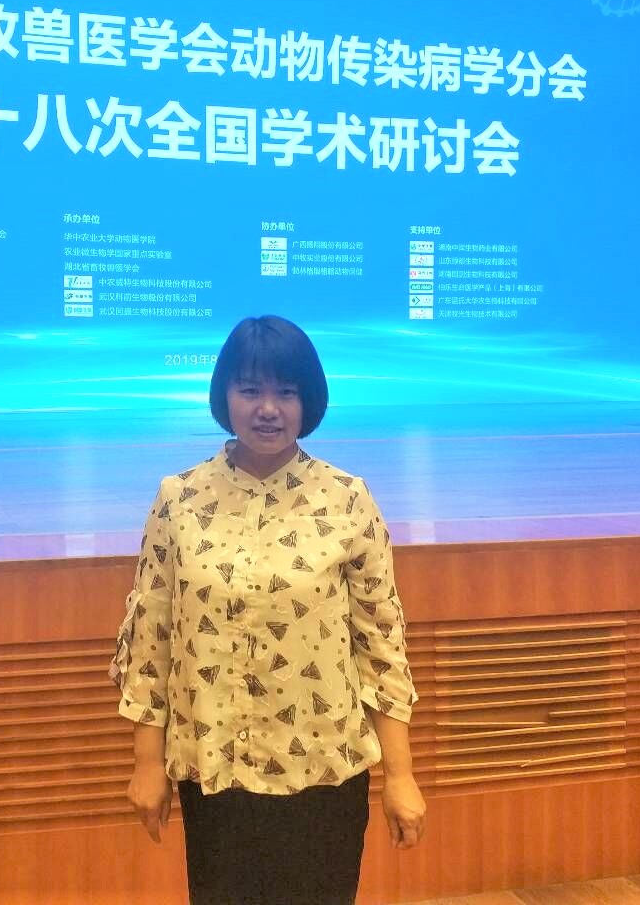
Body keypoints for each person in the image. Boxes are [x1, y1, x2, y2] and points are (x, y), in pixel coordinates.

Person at [110, 315, 425, 905]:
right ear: (224, 394)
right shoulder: (180, 499)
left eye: (287, 392)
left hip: (324, 771)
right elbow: (151, 638)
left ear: (310, 401)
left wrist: (400, 776)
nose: (268, 409)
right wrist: (146, 764)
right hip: (216, 770)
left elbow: (382, 644)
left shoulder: (347, 499)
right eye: (250, 389)